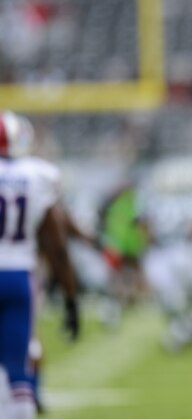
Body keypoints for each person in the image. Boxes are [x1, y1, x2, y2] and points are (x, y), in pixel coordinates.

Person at [0, 111, 79, 419]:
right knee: (19, 370)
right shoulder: (38, 175)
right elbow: (57, 247)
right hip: (20, 276)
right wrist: (71, 296)